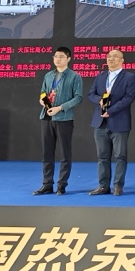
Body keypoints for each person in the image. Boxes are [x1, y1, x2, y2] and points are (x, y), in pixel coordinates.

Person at [33, 46, 83, 195]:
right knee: (47, 153)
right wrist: (42, 101)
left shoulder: (75, 76)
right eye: (56, 56)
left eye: (61, 56)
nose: (57, 59)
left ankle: (62, 185)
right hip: (47, 117)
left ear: (68, 59)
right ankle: (47, 184)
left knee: (65, 153)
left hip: (64, 118)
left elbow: (78, 97)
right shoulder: (48, 75)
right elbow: (43, 92)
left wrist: (60, 108)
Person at [87, 48, 135, 196]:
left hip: (119, 121)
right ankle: (103, 186)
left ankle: (118, 186)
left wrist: (111, 110)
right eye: (109, 56)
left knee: (120, 156)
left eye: (115, 56)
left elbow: (129, 98)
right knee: (102, 156)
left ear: (122, 61)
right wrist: (99, 100)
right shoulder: (100, 76)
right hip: (100, 122)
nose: (111, 59)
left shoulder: (129, 77)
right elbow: (91, 94)